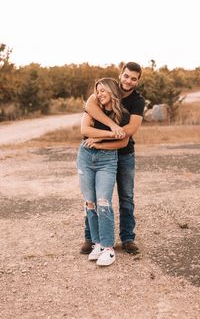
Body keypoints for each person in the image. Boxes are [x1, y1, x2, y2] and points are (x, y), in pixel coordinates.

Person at [80, 62, 145, 255]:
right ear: (121, 74)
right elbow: (89, 106)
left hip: (124, 154)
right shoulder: (106, 89)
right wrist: (111, 128)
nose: (128, 81)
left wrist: (99, 137)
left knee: (126, 196)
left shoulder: (137, 101)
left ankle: (127, 238)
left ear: (138, 80)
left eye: (134, 78)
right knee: (93, 196)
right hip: (100, 156)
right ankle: (90, 237)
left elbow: (130, 131)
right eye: (126, 76)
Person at [77, 77, 130, 266]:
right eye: (97, 91)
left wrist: (100, 141)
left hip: (107, 160)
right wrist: (110, 132)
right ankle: (97, 243)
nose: (99, 94)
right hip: (85, 156)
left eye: (102, 91)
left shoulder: (123, 114)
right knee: (90, 202)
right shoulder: (92, 108)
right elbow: (84, 129)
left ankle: (108, 248)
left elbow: (123, 140)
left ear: (112, 92)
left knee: (103, 202)